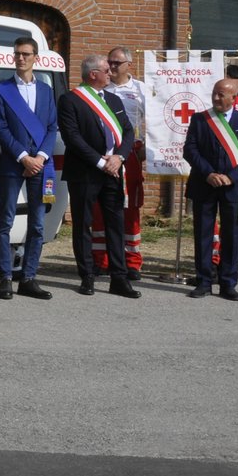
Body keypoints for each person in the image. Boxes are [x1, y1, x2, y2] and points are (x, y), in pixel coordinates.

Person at [57, 54, 137, 298]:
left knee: (115, 224)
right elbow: (72, 138)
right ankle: (87, 275)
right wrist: (101, 161)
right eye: (106, 70)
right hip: (85, 172)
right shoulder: (70, 100)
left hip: (113, 171)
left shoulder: (113, 99)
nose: (110, 73)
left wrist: (119, 158)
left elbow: (128, 131)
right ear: (93, 74)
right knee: (83, 224)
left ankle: (119, 277)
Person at [0, 36, 57, 300]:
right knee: (5, 220)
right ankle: (5, 277)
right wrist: (23, 157)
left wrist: (39, 157)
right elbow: (1, 128)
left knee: (37, 224)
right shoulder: (2, 89)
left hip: (40, 165)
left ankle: (29, 277)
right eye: (17, 54)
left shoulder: (46, 91)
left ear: (35, 58)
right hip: (13, 163)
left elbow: (52, 127)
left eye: (26, 54)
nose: (20, 58)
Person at [184, 78, 238, 301]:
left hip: (231, 187)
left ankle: (228, 283)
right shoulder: (200, 119)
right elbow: (190, 150)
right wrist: (209, 174)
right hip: (204, 184)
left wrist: (231, 177)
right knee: (203, 234)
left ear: (234, 98)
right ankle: (204, 281)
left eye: (222, 94)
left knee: (231, 235)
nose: (216, 98)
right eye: (215, 93)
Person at [95, 46, 148, 279]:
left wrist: (146, 148)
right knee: (99, 207)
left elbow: (154, 123)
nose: (113, 67)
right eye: (110, 63)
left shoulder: (141, 91)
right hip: (104, 153)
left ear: (129, 65)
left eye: (117, 63)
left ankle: (132, 261)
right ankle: (101, 259)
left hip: (131, 153)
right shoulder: (100, 89)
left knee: (130, 207)